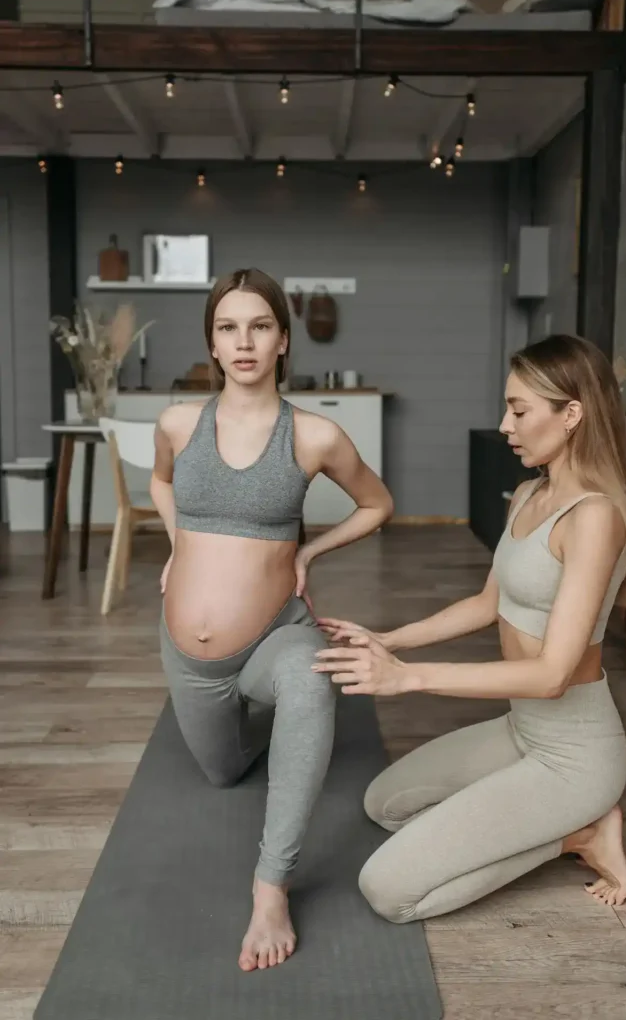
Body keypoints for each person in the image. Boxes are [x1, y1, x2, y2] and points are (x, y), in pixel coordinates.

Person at [314, 333, 626, 923]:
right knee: (383, 804)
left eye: (519, 410)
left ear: (572, 414)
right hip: (523, 730)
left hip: (573, 756)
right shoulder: (526, 494)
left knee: (387, 891)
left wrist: (406, 679)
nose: (506, 425)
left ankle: (581, 835)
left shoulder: (596, 517)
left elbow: (550, 676)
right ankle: (544, 819)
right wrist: (389, 640)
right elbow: (488, 603)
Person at [150, 268, 393, 970]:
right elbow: (162, 483)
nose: (244, 340)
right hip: (190, 654)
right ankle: (272, 734)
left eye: (259, 325)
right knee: (223, 773)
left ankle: (270, 887)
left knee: (310, 677)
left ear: (283, 340)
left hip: (274, 633)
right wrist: (178, 546)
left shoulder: (314, 435)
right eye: (228, 328)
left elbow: (378, 504)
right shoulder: (176, 423)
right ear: (213, 345)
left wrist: (309, 552)